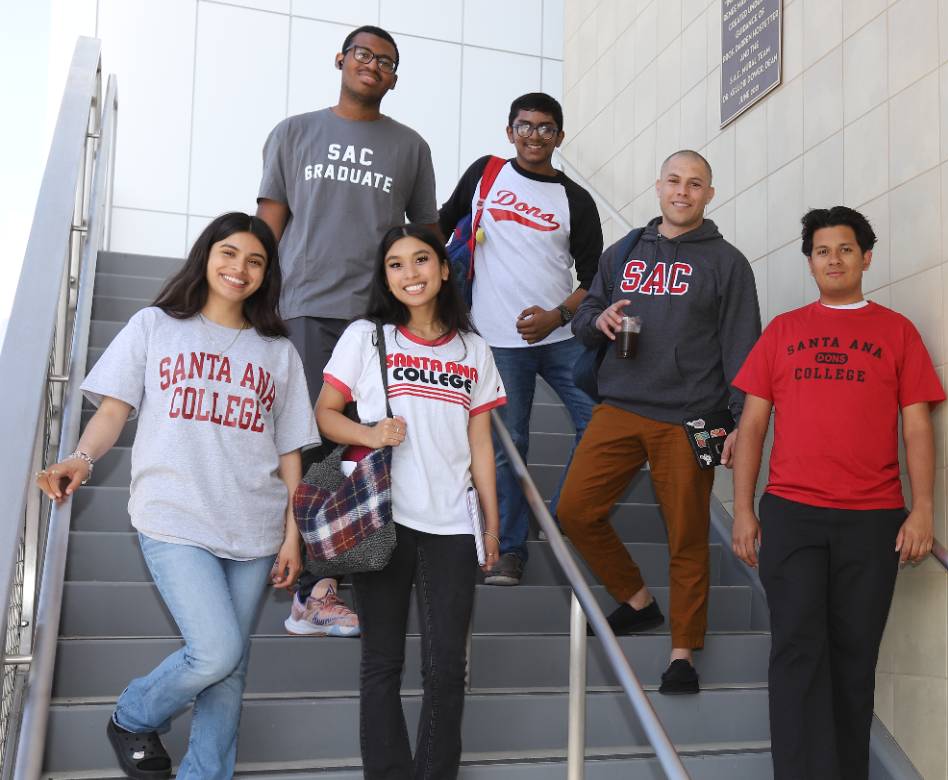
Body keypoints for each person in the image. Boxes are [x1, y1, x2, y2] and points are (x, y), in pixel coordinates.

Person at [36, 213, 318, 780]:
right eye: (229, 253)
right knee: (216, 651)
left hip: (256, 527)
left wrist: (294, 532)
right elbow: (114, 409)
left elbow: (291, 453)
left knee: (231, 669)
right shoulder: (155, 326)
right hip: (174, 517)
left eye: (255, 261)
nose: (240, 268)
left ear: (266, 275)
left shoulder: (278, 352)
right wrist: (80, 459)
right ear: (206, 256)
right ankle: (134, 714)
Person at [729, 207, 945, 779]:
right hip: (793, 514)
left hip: (873, 518)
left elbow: (917, 425)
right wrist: (743, 510)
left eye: (846, 249)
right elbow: (752, 426)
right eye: (823, 250)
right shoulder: (782, 331)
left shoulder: (897, 331)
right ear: (810, 262)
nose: (834, 259)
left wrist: (922, 508)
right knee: (798, 651)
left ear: (866, 258)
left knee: (854, 658)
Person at [257, 23, 439, 636]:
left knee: (364, 444)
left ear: (394, 76)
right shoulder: (294, 133)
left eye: (387, 61)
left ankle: (340, 565)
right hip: (305, 305)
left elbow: (425, 236)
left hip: (377, 319)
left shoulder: (410, 147)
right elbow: (268, 224)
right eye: (364, 54)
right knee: (310, 441)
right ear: (341, 59)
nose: (374, 65)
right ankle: (312, 588)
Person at [557, 150, 761, 695]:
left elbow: (743, 350)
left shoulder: (728, 264)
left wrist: (741, 422)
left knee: (688, 535)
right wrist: (596, 320)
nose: (683, 191)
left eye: (695, 184)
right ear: (658, 185)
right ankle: (637, 600)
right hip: (620, 405)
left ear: (709, 195)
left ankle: (682, 652)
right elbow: (582, 315)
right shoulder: (625, 252)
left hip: (693, 417)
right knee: (575, 510)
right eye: (674, 180)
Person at [316, 225, 504, 779]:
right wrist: (373, 435)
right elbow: (326, 413)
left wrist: (491, 526)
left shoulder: (475, 349)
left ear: (445, 269)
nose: (409, 273)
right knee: (382, 662)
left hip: (450, 522)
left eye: (421, 260)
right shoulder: (366, 336)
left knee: (447, 666)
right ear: (385, 277)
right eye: (395, 265)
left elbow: (481, 444)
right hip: (382, 518)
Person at [437, 92, 602, 586]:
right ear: (510, 132)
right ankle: (510, 548)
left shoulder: (575, 198)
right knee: (511, 445)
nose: (534, 135)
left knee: (600, 423)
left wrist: (557, 316)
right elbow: (439, 229)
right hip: (495, 340)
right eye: (525, 126)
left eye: (546, 128)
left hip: (562, 337)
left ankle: (553, 515)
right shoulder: (485, 174)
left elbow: (595, 278)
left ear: (560, 136)